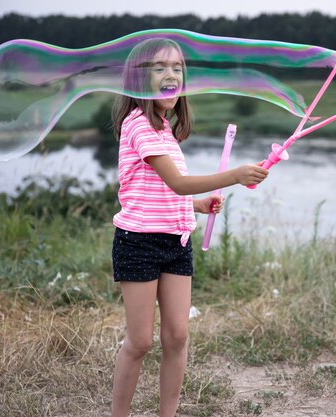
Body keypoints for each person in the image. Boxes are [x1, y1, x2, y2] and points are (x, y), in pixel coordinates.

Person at [110, 38, 268, 417]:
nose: (171, 75)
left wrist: (196, 205)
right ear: (137, 79)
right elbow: (177, 183)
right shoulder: (139, 126)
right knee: (140, 341)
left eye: (178, 68)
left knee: (178, 335)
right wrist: (232, 175)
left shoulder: (164, 129)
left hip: (176, 242)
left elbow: (167, 192)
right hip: (139, 243)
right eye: (159, 68)